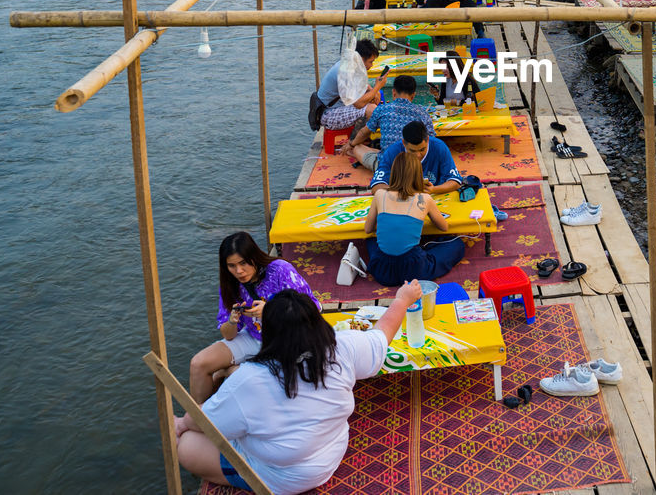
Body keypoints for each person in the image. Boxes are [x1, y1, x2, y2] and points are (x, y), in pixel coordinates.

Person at [176, 284, 422, 495]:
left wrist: (183, 423)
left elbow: (205, 423)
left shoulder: (251, 380)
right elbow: (382, 335)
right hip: (330, 455)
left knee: (186, 445)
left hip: (280, 476)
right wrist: (402, 299)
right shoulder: (342, 348)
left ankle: (242, 474)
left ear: (269, 334)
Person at [188, 232, 318, 403]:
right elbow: (228, 335)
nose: (239, 271)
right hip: (254, 336)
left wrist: (271, 310)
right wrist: (232, 320)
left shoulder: (280, 270)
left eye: (243, 263)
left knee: (238, 376)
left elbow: (313, 308)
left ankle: (225, 374)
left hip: (285, 340)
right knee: (198, 364)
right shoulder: (230, 283)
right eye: (232, 266)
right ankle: (199, 419)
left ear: (254, 257)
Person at [363, 151, 465, 284]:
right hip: (414, 271)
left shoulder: (380, 195)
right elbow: (444, 227)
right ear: (418, 175)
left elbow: (368, 229)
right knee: (456, 244)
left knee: (370, 242)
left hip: (383, 271)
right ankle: (423, 250)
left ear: (393, 173)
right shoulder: (424, 199)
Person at [342, 74, 434, 164]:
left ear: (393, 92)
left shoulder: (382, 109)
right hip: (415, 163)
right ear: (413, 95)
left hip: (388, 165)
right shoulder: (422, 113)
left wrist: (351, 144)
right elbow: (432, 140)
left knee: (358, 148)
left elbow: (364, 132)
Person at [368, 120, 462, 196]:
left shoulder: (439, 147)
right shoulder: (393, 151)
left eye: (422, 150)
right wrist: (400, 193)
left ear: (428, 140)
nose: (418, 155)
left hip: (433, 197)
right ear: (404, 143)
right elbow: (377, 185)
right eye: (412, 151)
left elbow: (455, 181)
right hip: (401, 200)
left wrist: (434, 189)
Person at [316, 39, 380, 131]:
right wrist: (378, 86)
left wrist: (373, 92)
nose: (372, 65)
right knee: (372, 109)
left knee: (372, 98)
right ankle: (354, 142)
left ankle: (360, 137)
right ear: (361, 59)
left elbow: (365, 86)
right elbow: (358, 104)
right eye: (371, 62)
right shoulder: (346, 71)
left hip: (338, 107)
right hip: (329, 114)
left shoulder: (352, 65)